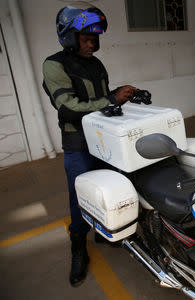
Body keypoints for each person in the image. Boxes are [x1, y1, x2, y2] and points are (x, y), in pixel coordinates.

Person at [42, 2, 137, 287]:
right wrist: (111, 100)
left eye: (95, 38)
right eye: (85, 38)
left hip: (102, 139)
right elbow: (69, 107)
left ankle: (104, 231)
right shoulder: (54, 64)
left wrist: (120, 93)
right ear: (68, 36)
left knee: (110, 186)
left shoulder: (96, 63)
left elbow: (98, 98)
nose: (92, 44)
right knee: (80, 197)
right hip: (77, 143)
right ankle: (78, 247)